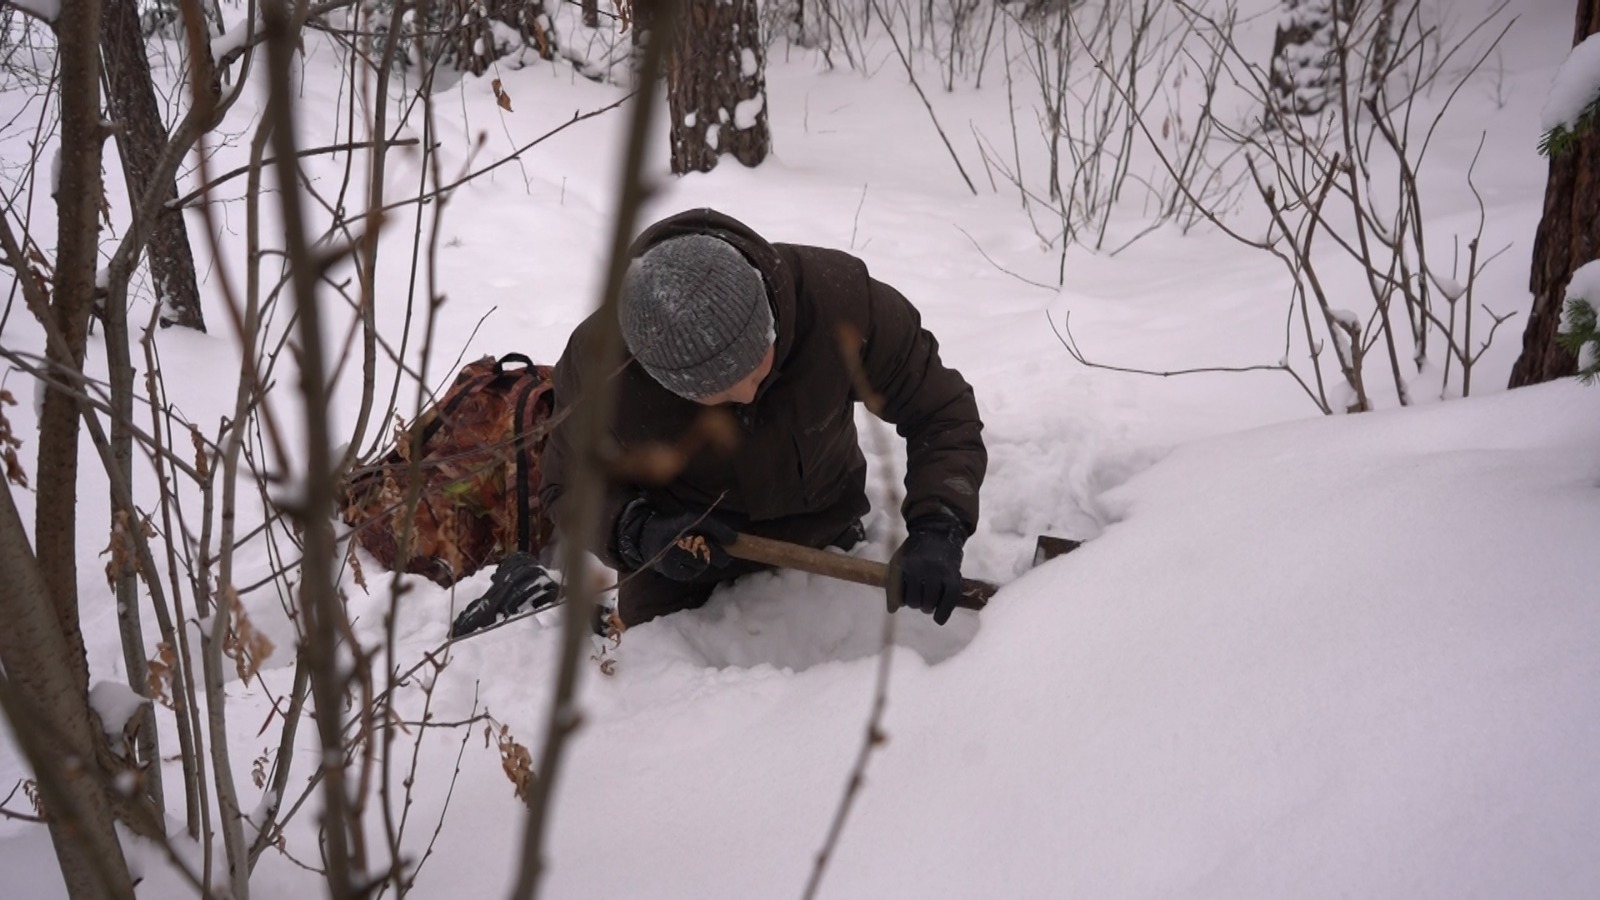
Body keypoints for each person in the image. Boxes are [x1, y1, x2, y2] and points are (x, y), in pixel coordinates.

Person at [539, 208, 986, 629]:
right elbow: (567, 484)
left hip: (827, 534)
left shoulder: (839, 303)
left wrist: (939, 525)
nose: (749, 394)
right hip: (681, 569)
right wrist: (637, 531)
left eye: (757, 369)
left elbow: (941, 411)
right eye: (716, 393)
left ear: (769, 322)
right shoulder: (600, 366)